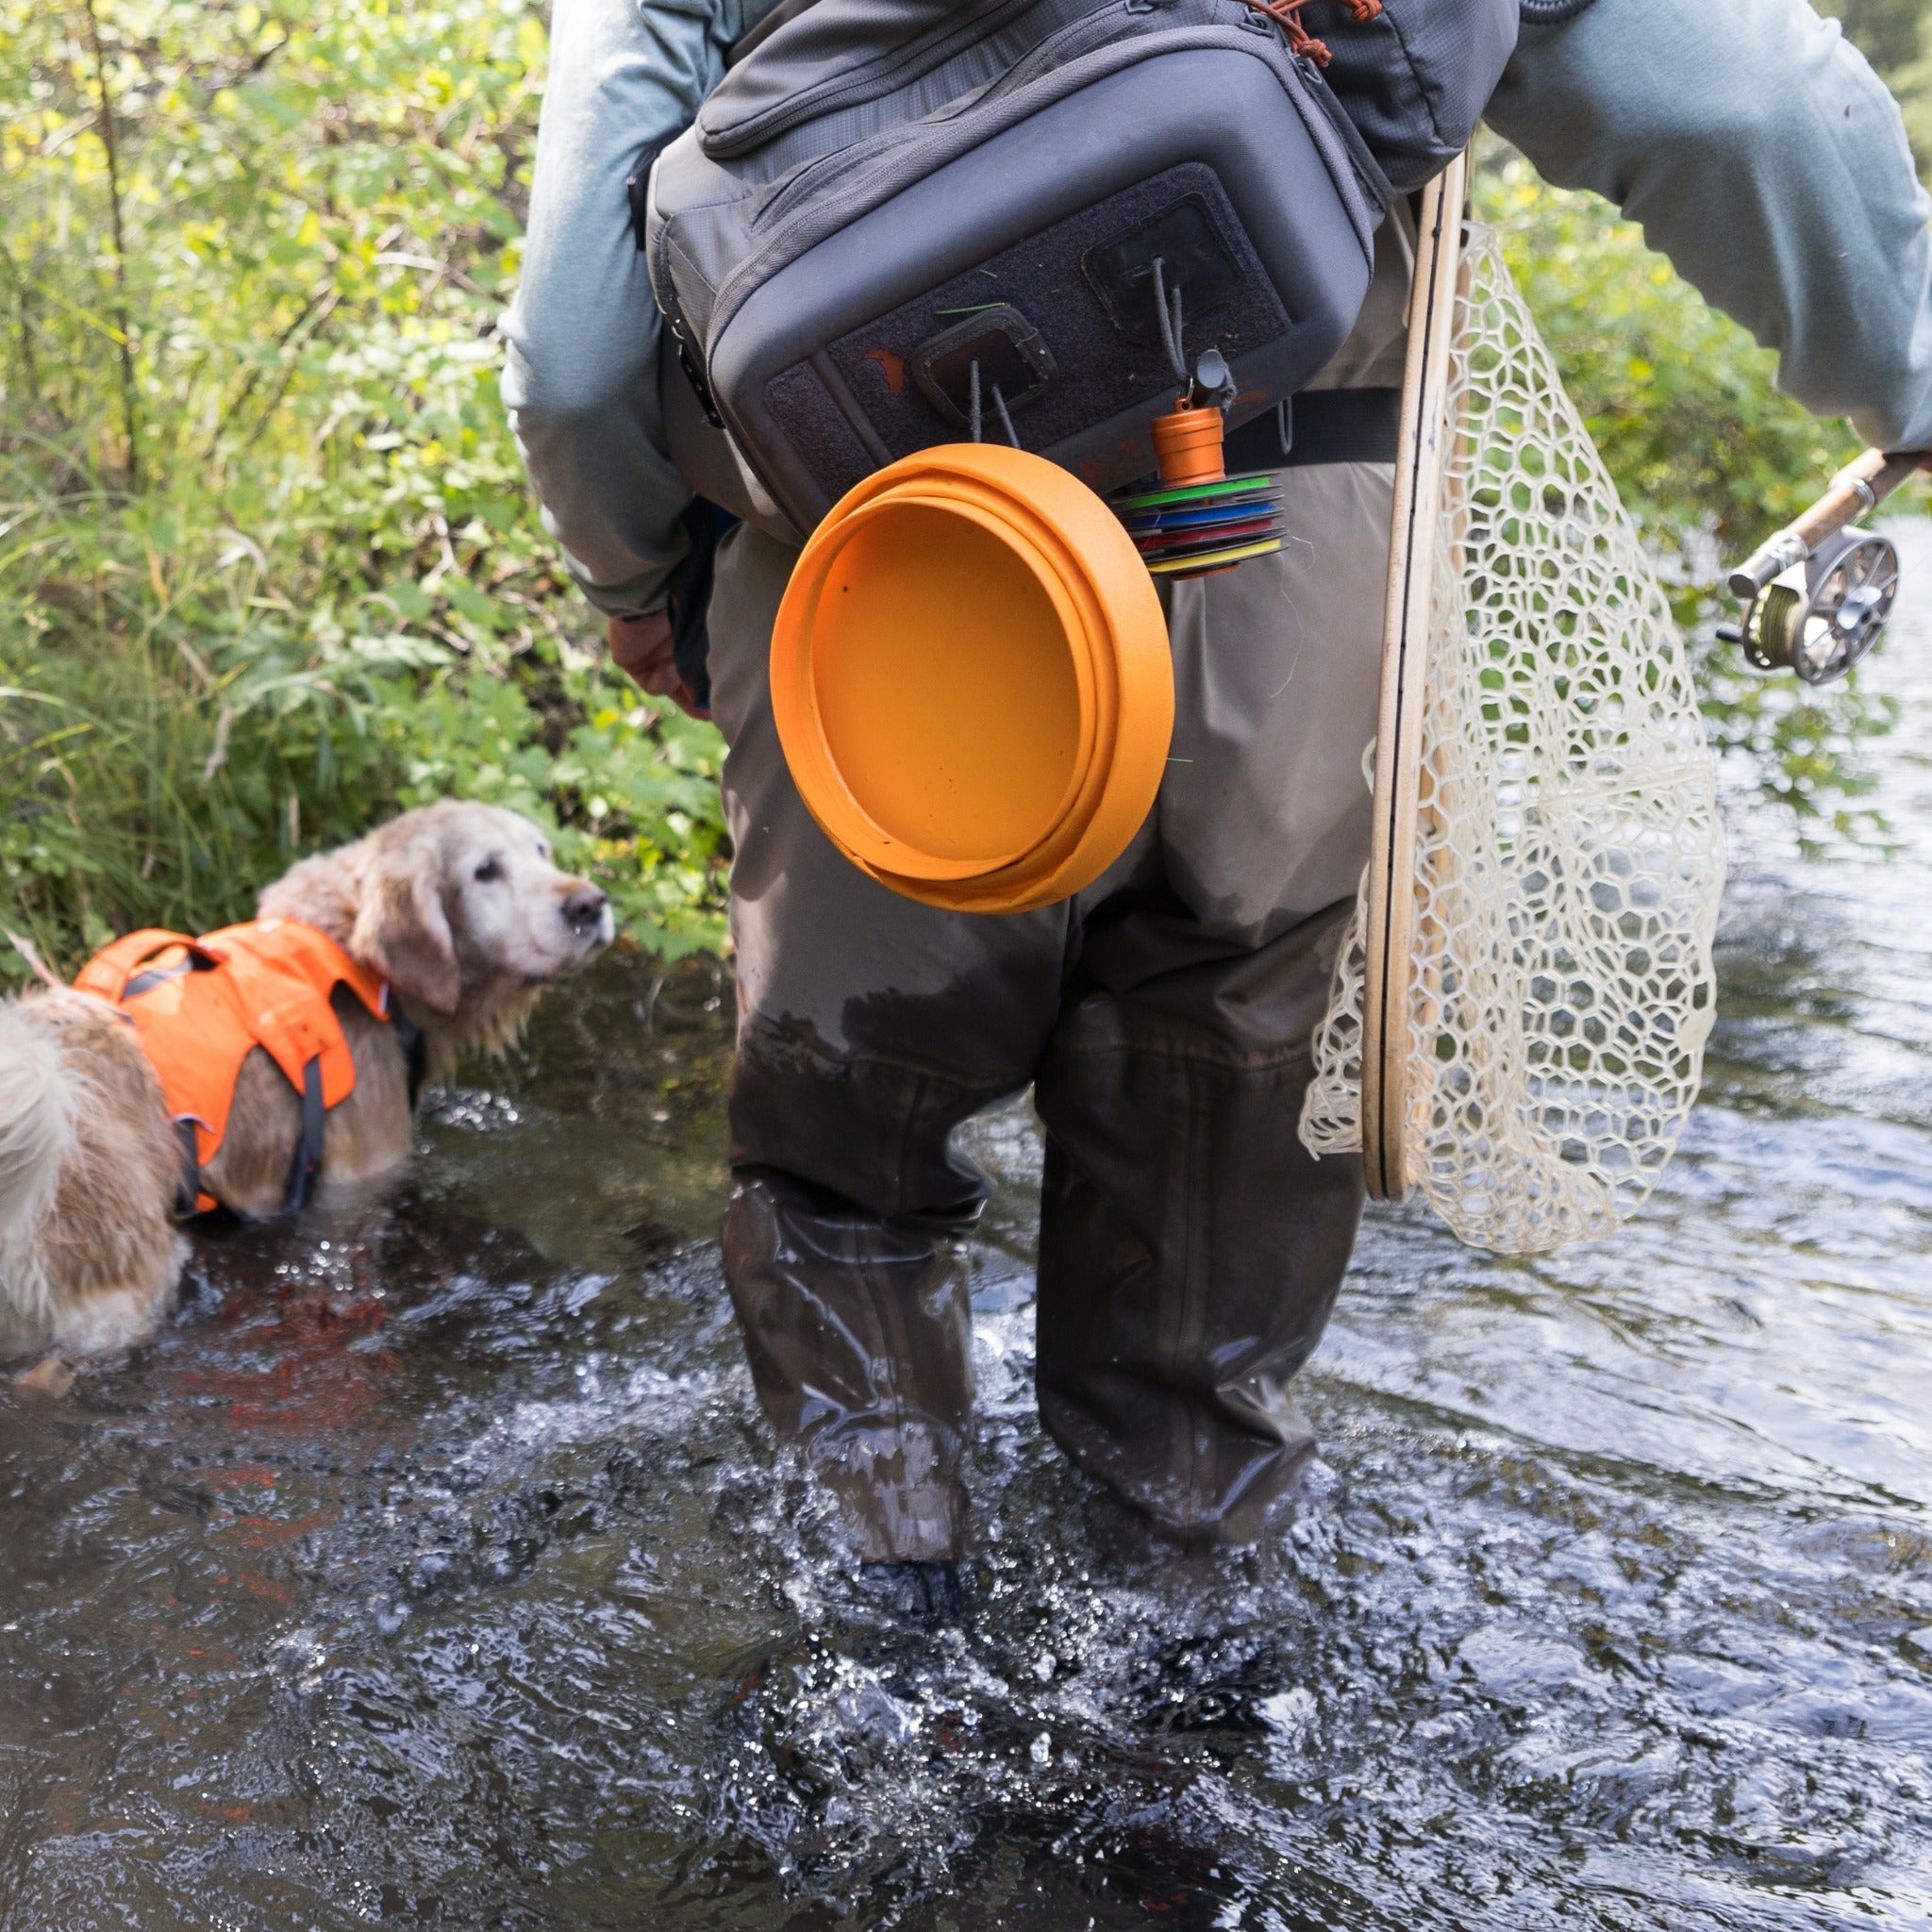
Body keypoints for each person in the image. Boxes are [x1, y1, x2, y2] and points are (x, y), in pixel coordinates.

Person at [503, 0, 1932, 1564]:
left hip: (894, 586)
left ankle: (884, 1614)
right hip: (1287, 545)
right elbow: (1748, 110)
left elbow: (575, 363)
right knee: (1215, 1163)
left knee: (851, 1175)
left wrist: (638, 574)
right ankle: (1180, 1668)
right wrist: (1911, 386)